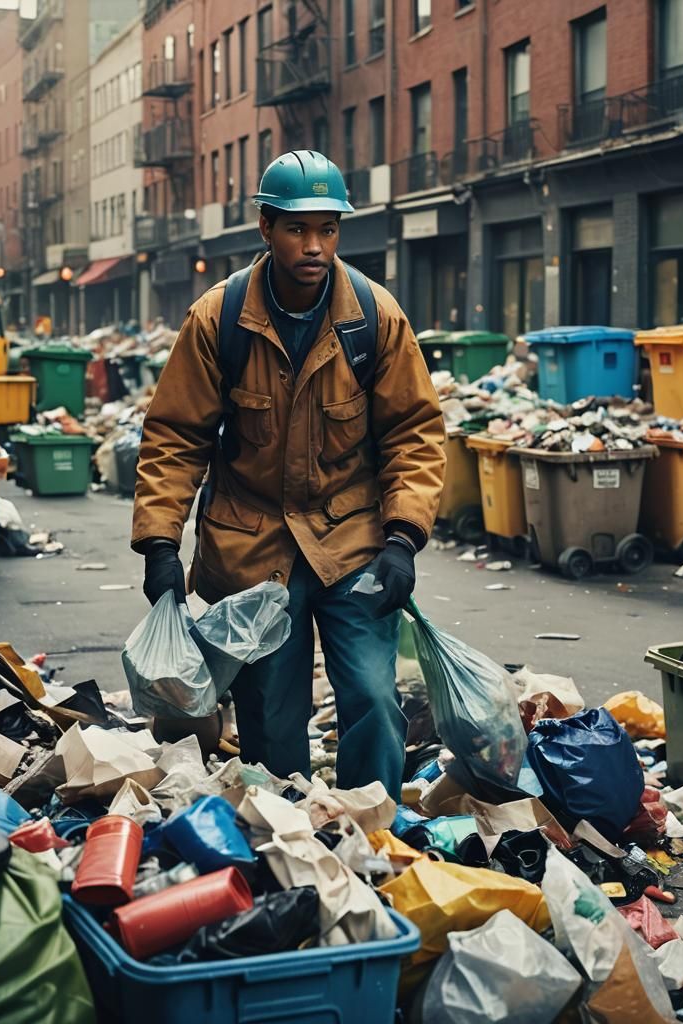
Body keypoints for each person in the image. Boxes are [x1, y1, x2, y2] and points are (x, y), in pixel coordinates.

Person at [131, 151, 446, 799]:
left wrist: (403, 538)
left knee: (374, 700)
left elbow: (414, 432)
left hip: (351, 540)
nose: (315, 246)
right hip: (252, 550)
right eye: (298, 229)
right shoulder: (219, 320)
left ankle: (371, 834)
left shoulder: (374, 317)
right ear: (265, 228)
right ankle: (291, 837)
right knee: (273, 723)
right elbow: (175, 436)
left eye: (328, 229)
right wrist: (160, 542)